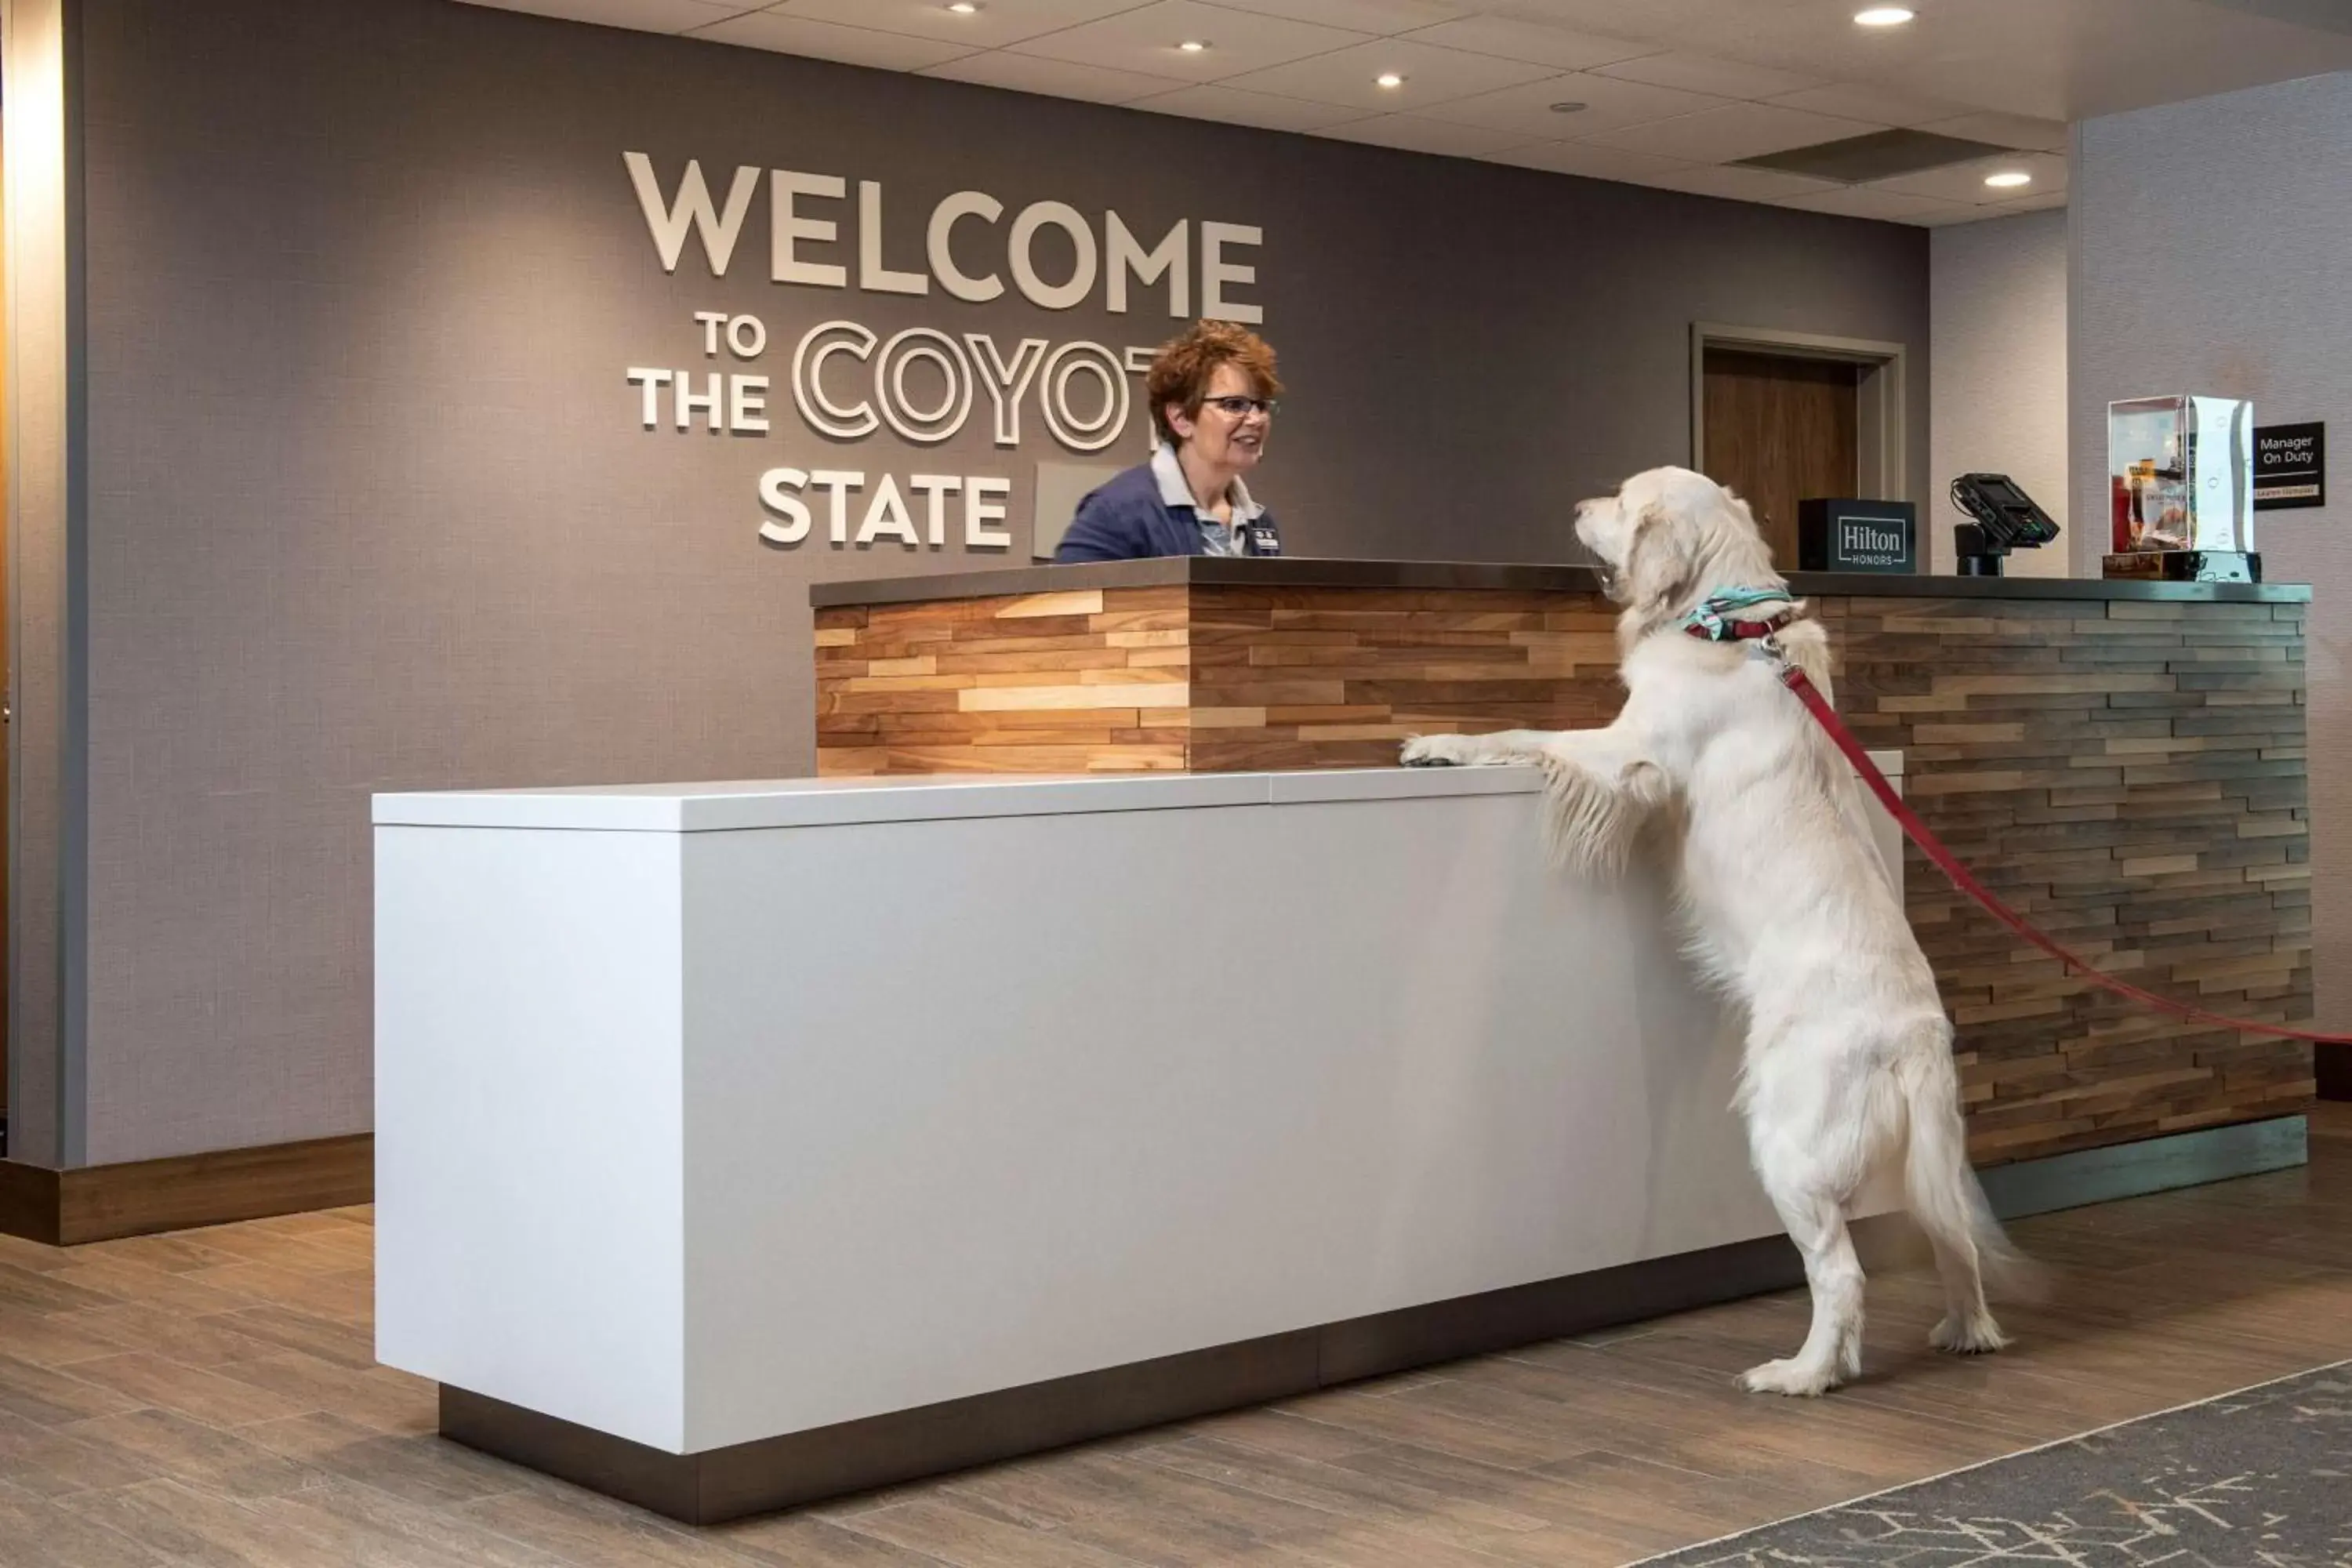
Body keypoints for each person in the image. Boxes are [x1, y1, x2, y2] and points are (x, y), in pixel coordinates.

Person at [1054, 320, 1284, 561]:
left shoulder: (1260, 523)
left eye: (1261, 406)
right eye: (1234, 405)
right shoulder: (1117, 513)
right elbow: (1070, 599)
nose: (1256, 419)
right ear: (1181, 418)